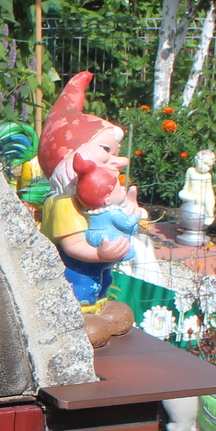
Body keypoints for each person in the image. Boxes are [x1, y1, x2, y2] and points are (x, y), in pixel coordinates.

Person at [37, 71, 137, 346]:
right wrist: (99, 253)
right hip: (74, 267)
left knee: (102, 282)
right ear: (72, 156)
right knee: (80, 285)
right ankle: (77, 316)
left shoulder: (92, 197)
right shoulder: (64, 204)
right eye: (107, 150)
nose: (120, 161)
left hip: (98, 266)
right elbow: (72, 246)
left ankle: (99, 307)